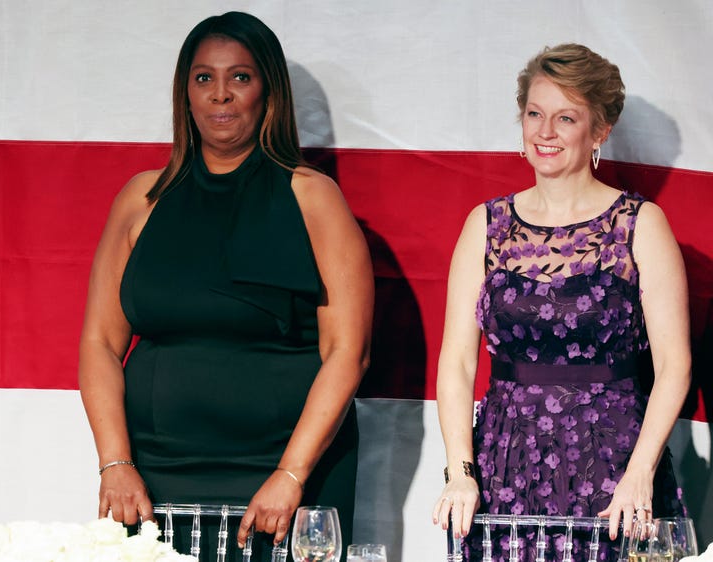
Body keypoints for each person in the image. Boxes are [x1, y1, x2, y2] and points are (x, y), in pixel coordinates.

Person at [78, 11, 373, 561]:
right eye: (204, 78)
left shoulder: (313, 198)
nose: (220, 95)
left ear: (268, 92)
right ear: (185, 92)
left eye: (240, 77)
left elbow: (347, 353)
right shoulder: (142, 199)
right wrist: (115, 463)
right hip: (152, 476)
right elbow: (98, 343)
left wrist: (292, 473)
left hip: (286, 474)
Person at [431, 43, 689, 561]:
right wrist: (460, 471)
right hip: (505, 461)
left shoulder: (640, 224)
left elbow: (675, 366)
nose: (544, 132)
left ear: (599, 130)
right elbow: (457, 362)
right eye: (534, 113)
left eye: (565, 117)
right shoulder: (486, 224)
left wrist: (640, 474)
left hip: (615, 461)